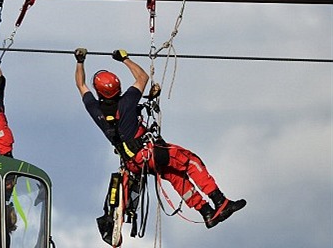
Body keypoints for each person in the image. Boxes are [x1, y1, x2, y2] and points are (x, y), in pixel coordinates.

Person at [74, 47, 246, 228]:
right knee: (190, 161)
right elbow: (142, 77)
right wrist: (125, 59)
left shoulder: (95, 109)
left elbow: (80, 84)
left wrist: (79, 61)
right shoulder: (128, 101)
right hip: (149, 153)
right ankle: (220, 201)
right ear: (118, 88)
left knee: (176, 176)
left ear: (99, 92)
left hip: (134, 163)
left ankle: (206, 212)